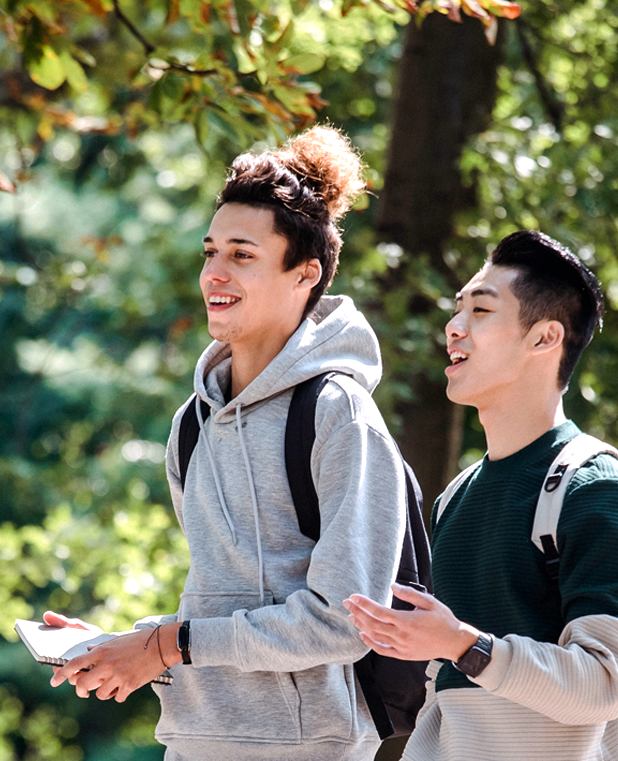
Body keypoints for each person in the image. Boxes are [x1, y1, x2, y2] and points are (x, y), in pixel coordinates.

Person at [46, 125, 409, 761]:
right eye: (210, 252)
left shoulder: (336, 414)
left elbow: (345, 621)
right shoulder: (193, 423)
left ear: (305, 275)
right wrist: (124, 646)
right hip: (193, 741)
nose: (215, 272)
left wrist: (166, 644)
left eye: (242, 255)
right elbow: (221, 605)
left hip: (306, 748)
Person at [343, 230, 618, 761]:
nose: (453, 328)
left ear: (544, 338)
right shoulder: (455, 498)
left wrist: (461, 644)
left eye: (480, 311)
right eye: (457, 310)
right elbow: (444, 696)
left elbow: (603, 685)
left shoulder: (599, 490)